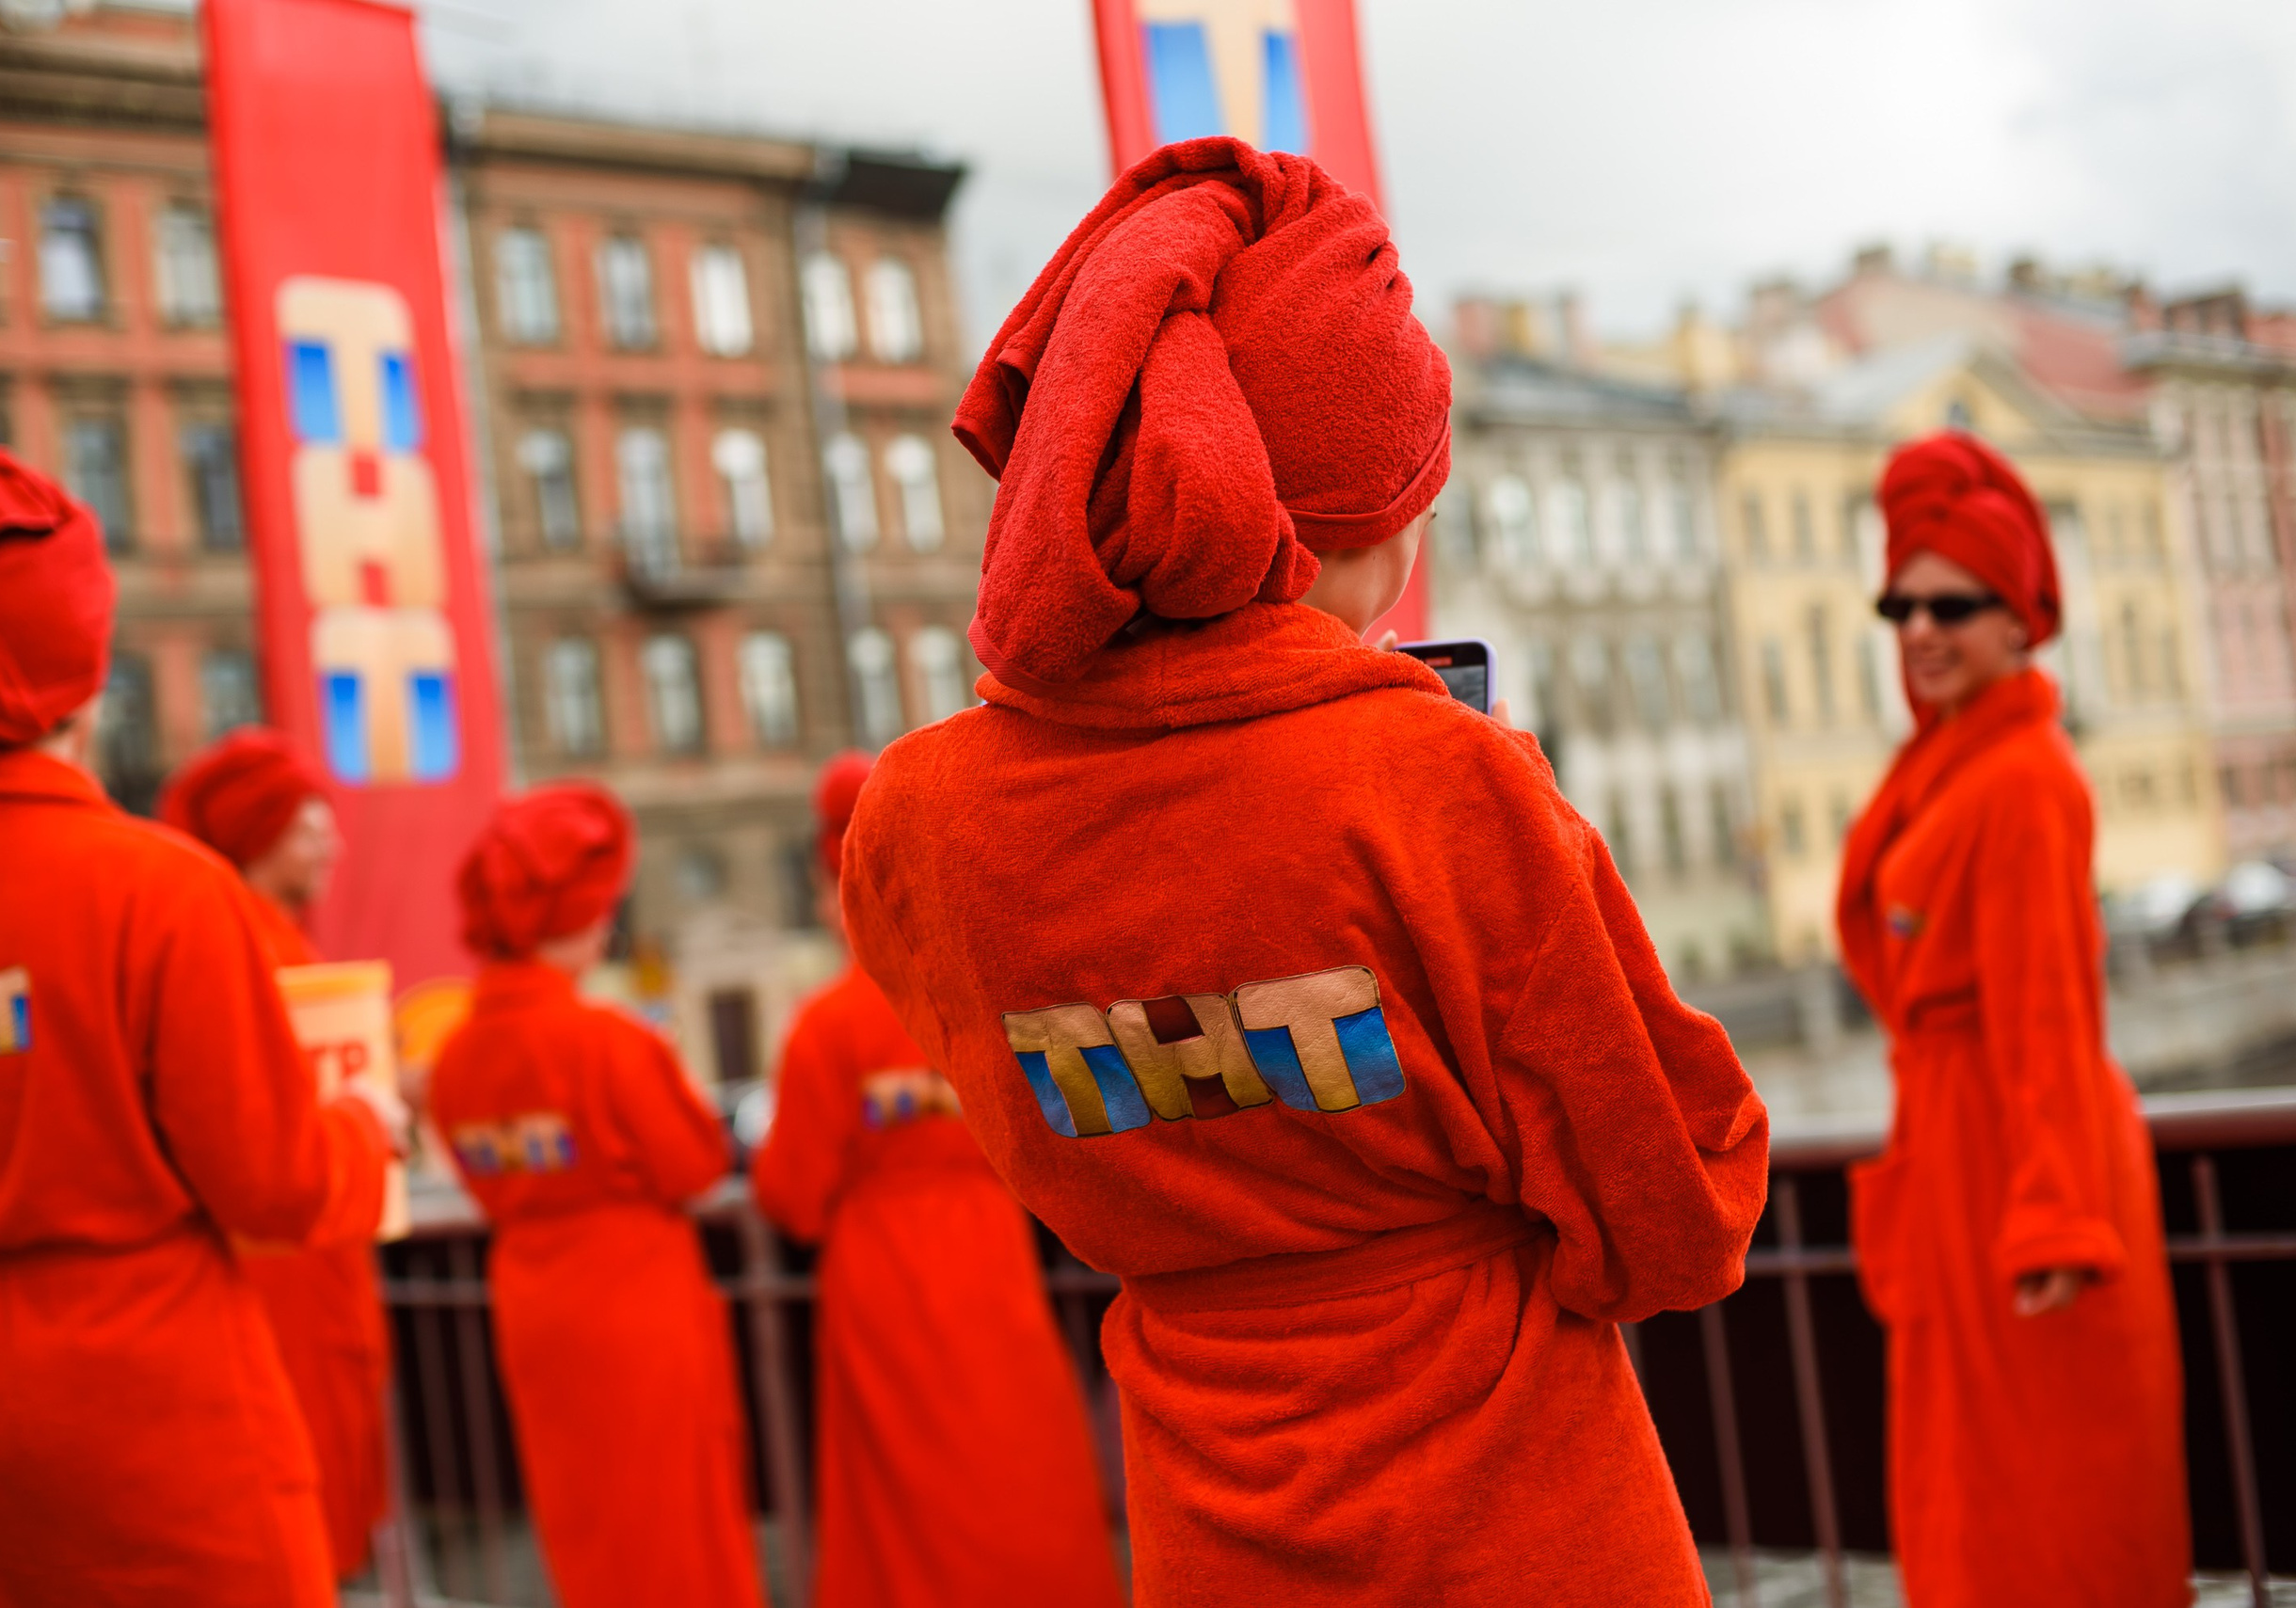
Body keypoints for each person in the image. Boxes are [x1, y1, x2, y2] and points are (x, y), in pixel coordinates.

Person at [837, 138, 1770, 1606]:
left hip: (1213, 1524)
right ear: (1371, 514)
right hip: (1523, 1514)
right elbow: (1676, 1210)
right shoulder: (1433, 778)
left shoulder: (921, 821)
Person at [0, 447, 399, 1604]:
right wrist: (367, 1127)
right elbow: (268, 1179)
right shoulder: (161, 888)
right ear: (85, 659)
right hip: (155, 1384)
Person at [1838, 433, 2188, 1606]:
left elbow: (2049, 1004)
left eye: (1953, 603)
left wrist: (2051, 1218)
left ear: (2022, 617)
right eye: (1902, 605)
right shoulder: (1950, 762)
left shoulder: (2025, 777)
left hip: (2019, 1169)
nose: (1921, 630)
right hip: (1960, 1155)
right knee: (1977, 1496)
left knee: (2043, 1508)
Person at [754, 754, 1125, 1608]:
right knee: (1020, 1458)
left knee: (904, 1491)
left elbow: (792, 1195)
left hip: (881, 1274)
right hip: (994, 1257)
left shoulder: (829, 1025)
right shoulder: (976, 999)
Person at [428, 784, 761, 1608]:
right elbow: (694, 1166)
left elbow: (480, 1181)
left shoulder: (454, 1058)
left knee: (584, 1519)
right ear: (576, 917)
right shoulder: (610, 1040)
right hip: (636, 1301)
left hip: (533, 1304)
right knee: (674, 1518)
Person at [160, 729, 391, 1584]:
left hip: (305, 1263)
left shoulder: (265, 940)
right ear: (256, 835)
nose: (330, 838)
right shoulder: (244, 948)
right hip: (284, 1270)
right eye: (306, 822)